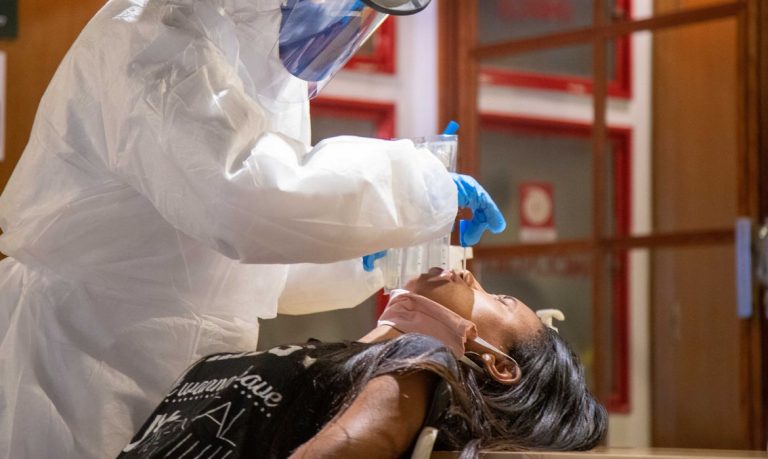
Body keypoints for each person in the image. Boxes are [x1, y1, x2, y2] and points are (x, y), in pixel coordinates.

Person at [0, 1, 507, 458]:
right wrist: (419, 185)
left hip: (191, 368)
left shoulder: (261, 65)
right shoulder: (158, 30)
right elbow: (244, 200)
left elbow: (235, 261)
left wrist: (363, 260)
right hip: (84, 359)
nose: (349, 25)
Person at [117, 268, 607, 458]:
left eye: (497, 299)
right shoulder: (341, 358)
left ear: (500, 365)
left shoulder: (420, 364)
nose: (469, 275)